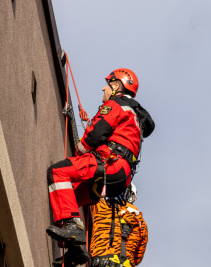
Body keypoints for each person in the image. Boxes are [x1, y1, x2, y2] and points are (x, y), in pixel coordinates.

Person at [46, 68, 154, 246]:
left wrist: (79, 150)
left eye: (108, 85)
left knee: (58, 172)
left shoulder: (116, 104)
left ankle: (73, 227)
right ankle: (75, 248)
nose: (104, 90)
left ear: (117, 86)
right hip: (120, 179)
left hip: (109, 162)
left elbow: (96, 133)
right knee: (69, 197)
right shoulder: (134, 118)